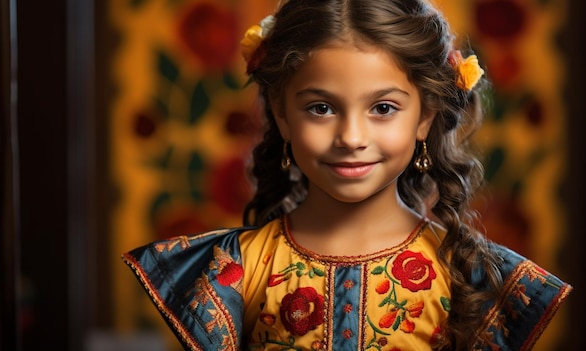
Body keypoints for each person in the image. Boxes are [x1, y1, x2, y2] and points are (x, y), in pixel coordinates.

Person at [122, 0, 572, 350]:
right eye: (321, 108)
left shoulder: (468, 277)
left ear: (425, 117)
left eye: (383, 108)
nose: (352, 137)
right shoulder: (234, 269)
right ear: (281, 114)